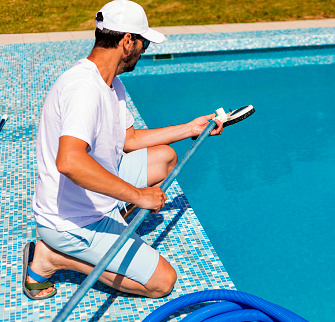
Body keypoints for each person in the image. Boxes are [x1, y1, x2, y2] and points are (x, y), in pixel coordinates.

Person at [23, 0, 223, 300]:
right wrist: (138, 195)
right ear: (127, 42)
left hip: (90, 195)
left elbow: (128, 139)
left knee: (164, 157)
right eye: (143, 42)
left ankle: (112, 219)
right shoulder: (83, 89)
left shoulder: (110, 83)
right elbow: (70, 162)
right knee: (162, 283)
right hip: (71, 221)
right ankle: (54, 257)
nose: (144, 50)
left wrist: (189, 129)